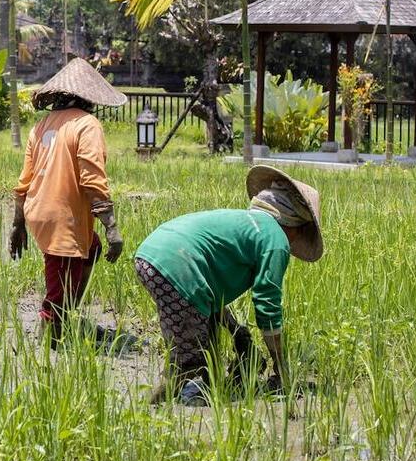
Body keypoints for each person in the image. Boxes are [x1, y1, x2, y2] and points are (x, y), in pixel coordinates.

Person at [135, 165, 323, 404]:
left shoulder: (243, 223)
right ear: (295, 226)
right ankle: (151, 406)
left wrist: (236, 331)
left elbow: (207, 293)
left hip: (153, 255)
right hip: (176, 266)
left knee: (208, 342)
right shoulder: (275, 240)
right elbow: (267, 304)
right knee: (190, 361)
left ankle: (206, 391)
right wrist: (280, 365)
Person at [9, 58, 126, 346]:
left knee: (91, 249)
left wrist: (18, 224)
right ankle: (52, 338)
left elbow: (25, 180)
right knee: (59, 286)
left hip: (38, 211)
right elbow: (92, 179)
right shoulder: (87, 124)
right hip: (63, 218)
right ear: (89, 97)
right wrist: (112, 228)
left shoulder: (41, 125)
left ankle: (66, 313)